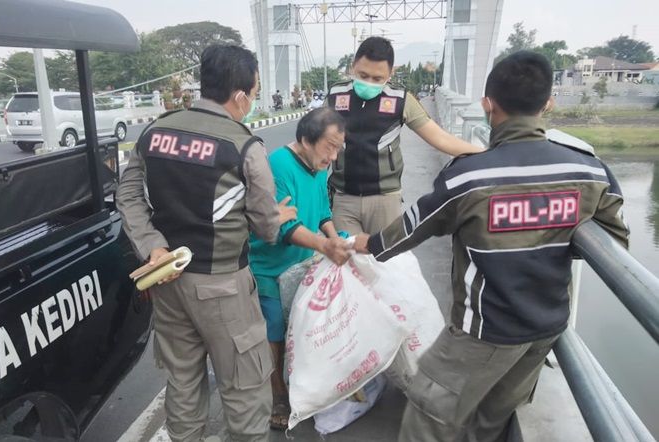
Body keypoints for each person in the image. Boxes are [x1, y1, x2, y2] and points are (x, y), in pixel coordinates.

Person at [353, 51, 629, 442]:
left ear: (487, 104)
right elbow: (614, 241)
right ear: (547, 103)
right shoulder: (589, 170)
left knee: (427, 416)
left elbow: (413, 226)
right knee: (491, 423)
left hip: (482, 331)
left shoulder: (470, 176)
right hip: (544, 331)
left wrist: (369, 244)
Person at [116, 45, 297, 442]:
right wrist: (277, 217)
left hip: (166, 279)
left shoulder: (155, 131)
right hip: (223, 287)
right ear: (240, 96)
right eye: (254, 92)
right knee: (245, 386)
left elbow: (127, 196)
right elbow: (267, 228)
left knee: (182, 383)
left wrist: (153, 247)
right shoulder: (244, 145)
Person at [248, 108, 351, 430]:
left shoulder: (319, 167)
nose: (332, 157)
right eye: (328, 147)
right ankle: (278, 395)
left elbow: (322, 212)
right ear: (306, 140)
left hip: (301, 260)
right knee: (275, 330)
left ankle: (308, 384)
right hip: (269, 264)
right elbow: (284, 226)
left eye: (338, 149)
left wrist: (337, 241)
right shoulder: (278, 166)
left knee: (306, 325)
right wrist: (325, 247)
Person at [326, 36, 483, 235]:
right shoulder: (335, 96)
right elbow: (314, 140)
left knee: (385, 262)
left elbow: (440, 138)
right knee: (346, 262)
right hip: (344, 199)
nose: (368, 83)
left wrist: (488, 152)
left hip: (385, 199)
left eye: (377, 79)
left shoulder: (400, 100)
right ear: (352, 67)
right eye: (363, 75)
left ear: (391, 74)